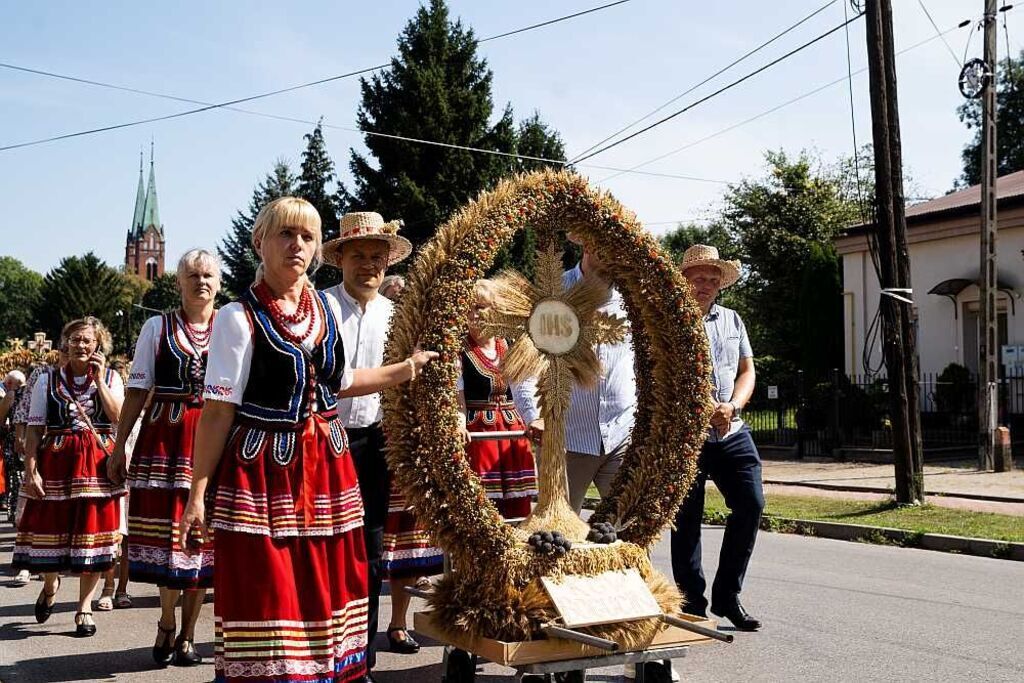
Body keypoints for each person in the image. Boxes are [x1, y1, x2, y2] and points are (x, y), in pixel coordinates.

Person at [180, 197, 437, 683]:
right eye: (285, 234)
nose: (296, 245)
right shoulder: (238, 318)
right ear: (260, 242)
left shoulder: (322, 308)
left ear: (318, 249)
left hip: (327, 469)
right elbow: (216, 413)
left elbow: (340, 382)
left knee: (327, 584)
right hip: (263, 473)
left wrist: (404, 370)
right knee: (269, 589)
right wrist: (197, 494)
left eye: (306, 237)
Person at [322, 212, 433, 663]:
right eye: (358, 256)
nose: (368, 265)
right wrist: (401, 371)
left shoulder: (398, 316)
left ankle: (361, 654)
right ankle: (319, 648)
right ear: (341, 259)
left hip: (375, 444)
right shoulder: (321, 309)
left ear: (387, 263)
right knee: (322, 546)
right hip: (325, 440)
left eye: (376, 257)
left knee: (368, 550)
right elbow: (331, 379)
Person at [108, 248, 221, 667]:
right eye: (192, 275)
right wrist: (120, 446)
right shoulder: (157, 327)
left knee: (203, 542)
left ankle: (190, 634)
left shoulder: (230, 326)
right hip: (165, 442)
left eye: (208, 274)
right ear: (178, 282)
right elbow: (137, 390)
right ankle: (168, 618)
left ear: (219, 283)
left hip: (213, 439)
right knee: (169, 540)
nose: (201, 281)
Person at [671, 244, 764, 631]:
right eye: (699, 278)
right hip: (687, 434)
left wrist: (733, 407)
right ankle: (691, 601)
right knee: (686, 518)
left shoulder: (732, 320)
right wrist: (703, 405)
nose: (706, 285)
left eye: (713, 279)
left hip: (731, 429)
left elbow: (747, 370)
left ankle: (728, 597)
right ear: (684, 280)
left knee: (751, 503)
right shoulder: (669, 319)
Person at [14, 316, 126, 637]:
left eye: (87, 341)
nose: (81, 345)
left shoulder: (113, 378)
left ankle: (84, 608)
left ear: (98, 346)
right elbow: (35, 431)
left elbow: (118, 416)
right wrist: (30, 470)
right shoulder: (46, 380)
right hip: (57, 464)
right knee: (51, 536)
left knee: (92, 536)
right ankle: (50, 586)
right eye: (75, 339)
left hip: (97, 469)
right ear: (65, 343)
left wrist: (101, 380)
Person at [512, 239, 635, 514]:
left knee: (631, 530)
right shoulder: (552, 292)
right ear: (588, 246)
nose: (614, 257)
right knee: (559, 536)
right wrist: (534, 415)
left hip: (622, 436)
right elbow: (524, 365)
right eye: (607, 248)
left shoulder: (633, 299)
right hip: (566, 439)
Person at [457, 279, 537, 518]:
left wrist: (535, 419)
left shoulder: (509, 345)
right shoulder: (458, 349)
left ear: (495, 310)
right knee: (483, 507)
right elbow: (457, 395)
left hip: (513, 435)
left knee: (517, 509)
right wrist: (458, 423)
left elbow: (525, 388)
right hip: (481, 436)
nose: (474, 314)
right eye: (468, 308)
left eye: (480, 307)